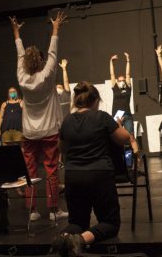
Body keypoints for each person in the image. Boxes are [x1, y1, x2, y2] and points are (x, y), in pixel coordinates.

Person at [50, 82, 130, 256]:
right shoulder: (101, 117)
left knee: (77, 222)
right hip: (99, 175)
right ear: (95, 101)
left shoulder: (67, 121)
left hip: (73, 176)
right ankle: (81, 240)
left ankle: (64, 238)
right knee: (110, 223)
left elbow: (62, 149)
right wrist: (117, 124)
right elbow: (125, 138)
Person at [12, 11, 70, 222]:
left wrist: (16, 34)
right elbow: (53, 53)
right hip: (49, 131)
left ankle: (32, 210)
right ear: (40, 61)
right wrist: (55, 29)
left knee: (29, 170)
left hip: (29, 133)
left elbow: (20, 57)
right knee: (51, 170)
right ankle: (54, 210)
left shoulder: (21, 78)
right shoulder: (47, 76)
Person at [109, 52, 138, 151]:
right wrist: (111, 62)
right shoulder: (115, 87)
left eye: (123, 80)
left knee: (131, 137)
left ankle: (136, 158)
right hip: (117, 116)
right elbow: (112, 74)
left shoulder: (128, 88)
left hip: (127, 116)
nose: (121, 81)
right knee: (117, 139)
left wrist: (128, 60)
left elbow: (128, 74)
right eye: (119, 80)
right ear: (117, 81)